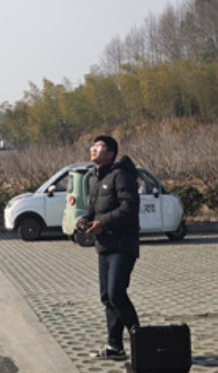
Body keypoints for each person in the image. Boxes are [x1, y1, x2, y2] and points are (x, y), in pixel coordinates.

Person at [77, 134, 141, 361]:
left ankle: (141, 342)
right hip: (104, 246)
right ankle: (115, 347)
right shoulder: (95, 177)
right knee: (107, 297)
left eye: (100, 147)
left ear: (111, 153)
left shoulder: (121, 175)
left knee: (116, 293)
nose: (94, 149)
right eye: (93, 146)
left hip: (123, 245)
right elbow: (93, 209)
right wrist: (85, 220)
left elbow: (130, 207)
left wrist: (102, 224)